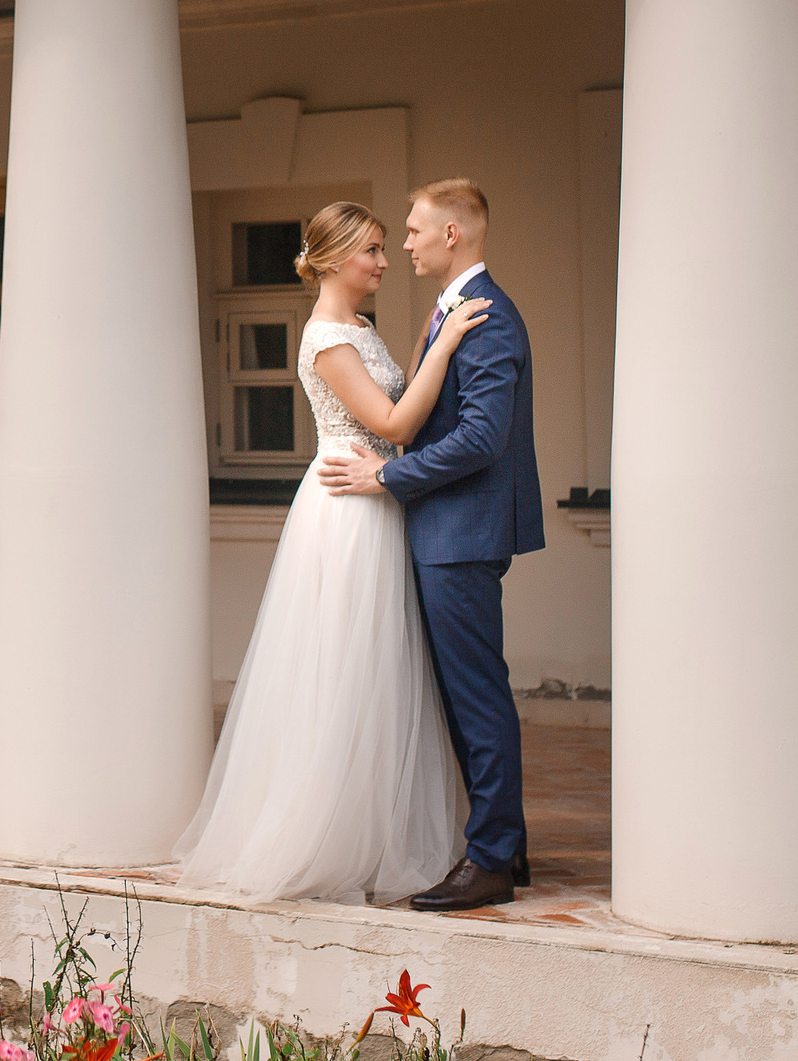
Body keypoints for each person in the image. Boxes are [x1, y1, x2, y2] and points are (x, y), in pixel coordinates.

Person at [175, 200, 489, 904]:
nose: (383, 260)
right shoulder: (325, 338)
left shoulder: (362, 328)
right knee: (342, 666)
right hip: (347, 510)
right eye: (371, 249)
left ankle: (377, 829)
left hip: (378, 501)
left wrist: (429, 343)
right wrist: (442, 346)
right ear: (334, 256)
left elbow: (397, 406)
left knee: (380, 670)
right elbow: (392, 420)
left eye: (385, 246)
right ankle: (328, 834)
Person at [320, 178, 542, 913]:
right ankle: (500, 840)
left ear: (453, 235)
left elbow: (482, 437)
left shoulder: (489, 318)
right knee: (459, 693)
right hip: (442, 529)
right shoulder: (451, 312)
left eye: (413, 230)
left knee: (475, 693)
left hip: (462, 532)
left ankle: (492, 858)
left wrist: (390, 477)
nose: (405, 243)